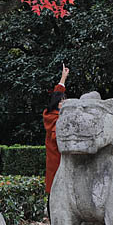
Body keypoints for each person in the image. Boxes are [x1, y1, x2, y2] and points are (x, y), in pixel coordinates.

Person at [43, 63, 69, 202]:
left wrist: (64, 77)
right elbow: (56, 95)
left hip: (65, 159)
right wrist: (62, 79)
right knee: (54, 191)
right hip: (55, 159)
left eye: (64, 101)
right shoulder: (49, 115)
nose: (63, 103)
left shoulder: (64, 115)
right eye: (61, 101)